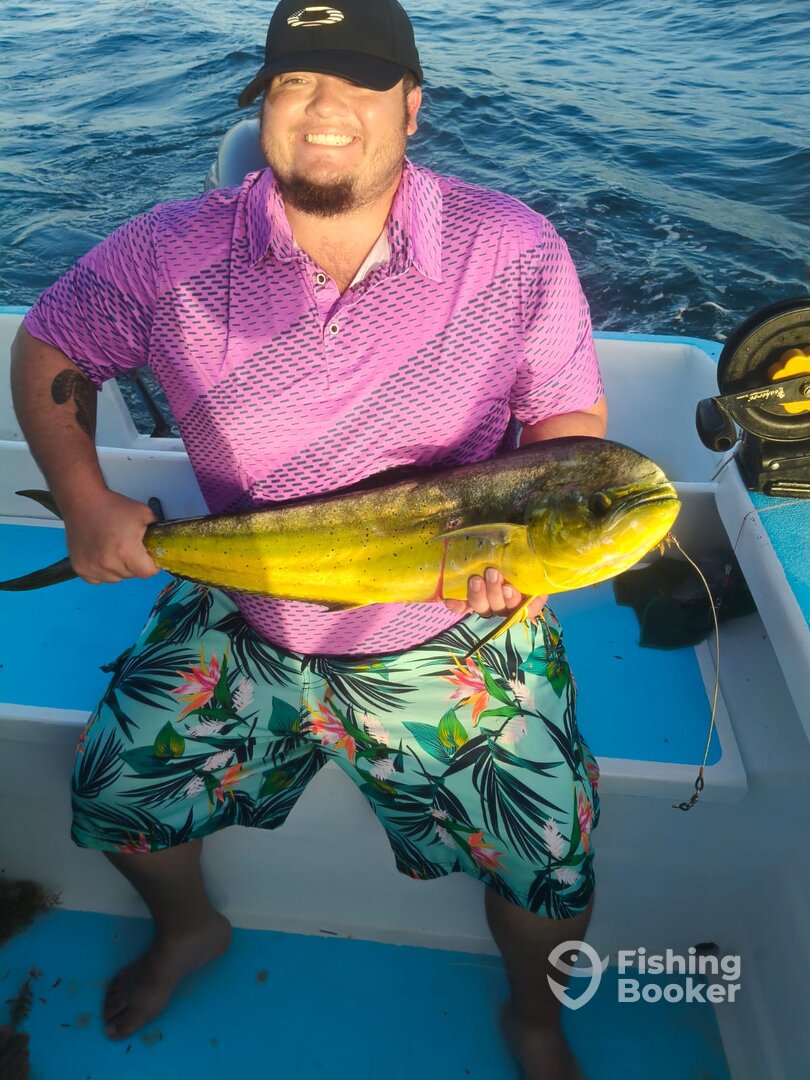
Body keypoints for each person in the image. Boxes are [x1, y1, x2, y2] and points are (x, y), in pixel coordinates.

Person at [11, 0, 607, 1075]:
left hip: (452, 622)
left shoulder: (513, 248)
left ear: (412, 107)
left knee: (551, 857)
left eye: (358, 81)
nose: (323, 107)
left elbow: (566, 425)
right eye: (295, 82)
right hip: (243, 599)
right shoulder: (166, 250)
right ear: (263, 106)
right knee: (111, 794)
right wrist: (86, 500)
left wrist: (523, 560)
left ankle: (535, 1013)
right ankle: (191, 930)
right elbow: (52, 340)